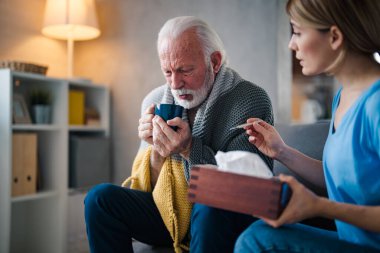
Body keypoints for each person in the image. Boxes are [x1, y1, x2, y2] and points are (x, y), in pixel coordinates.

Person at [84, 16, 274, 253]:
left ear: (214, 62)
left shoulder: (249, 100)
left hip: (223, 216)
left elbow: (244, 190)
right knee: (99, 199)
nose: (175, 83)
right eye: (167, 71)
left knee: (210, 198)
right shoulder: (155, 100)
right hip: (170, 211)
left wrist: (188, 149)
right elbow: (145, 190)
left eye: (185, 70)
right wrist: (156, 150)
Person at [234, 0, 380, 252]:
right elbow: (342, 179)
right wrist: (282, 151)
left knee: (257, 240)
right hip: (352, 243)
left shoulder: (376, 104)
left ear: (334, 36)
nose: (292, 44)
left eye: (298, 32)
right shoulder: (344, 97)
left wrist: (319, 206)